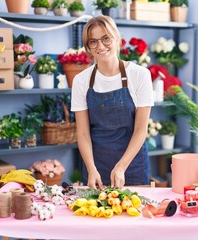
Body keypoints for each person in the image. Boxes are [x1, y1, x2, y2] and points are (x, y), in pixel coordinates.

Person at [71, 15, 154, 190]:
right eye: (93, 41)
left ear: (117, 38)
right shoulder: (81, 81)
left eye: (105, 38)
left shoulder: (139, 75)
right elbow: (83, 133)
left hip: (132, 165)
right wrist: (91, 169)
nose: (100, 46)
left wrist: (121, 166)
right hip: (96, 167)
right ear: (88, 47)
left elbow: (140, 129)